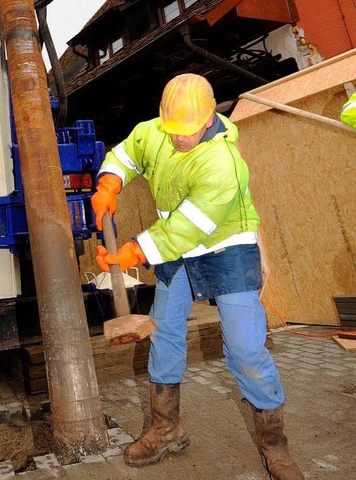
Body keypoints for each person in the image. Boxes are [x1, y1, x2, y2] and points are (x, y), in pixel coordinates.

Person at [91, 73, 304, 480]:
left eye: (188, 132)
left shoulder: (224, 163)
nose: (180, 140)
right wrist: (110, 182)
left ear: (209, 118)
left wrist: (134, 251)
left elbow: (190, 225)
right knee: (165, 333)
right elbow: (126, 154)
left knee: (244, 349)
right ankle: (166, 428)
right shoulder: (155, 131)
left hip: (227, 247)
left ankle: (275, 445)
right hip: (177, 252)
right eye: (173, 131)